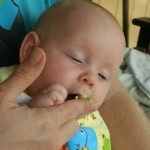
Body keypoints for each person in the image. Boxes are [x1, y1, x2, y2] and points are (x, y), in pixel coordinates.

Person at [0, 1, 150, 150]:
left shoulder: (95, 120)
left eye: (102, 76)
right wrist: (33, 108)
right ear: (30, 50)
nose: (91, 79)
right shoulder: (6, 88)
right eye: (76, 59)